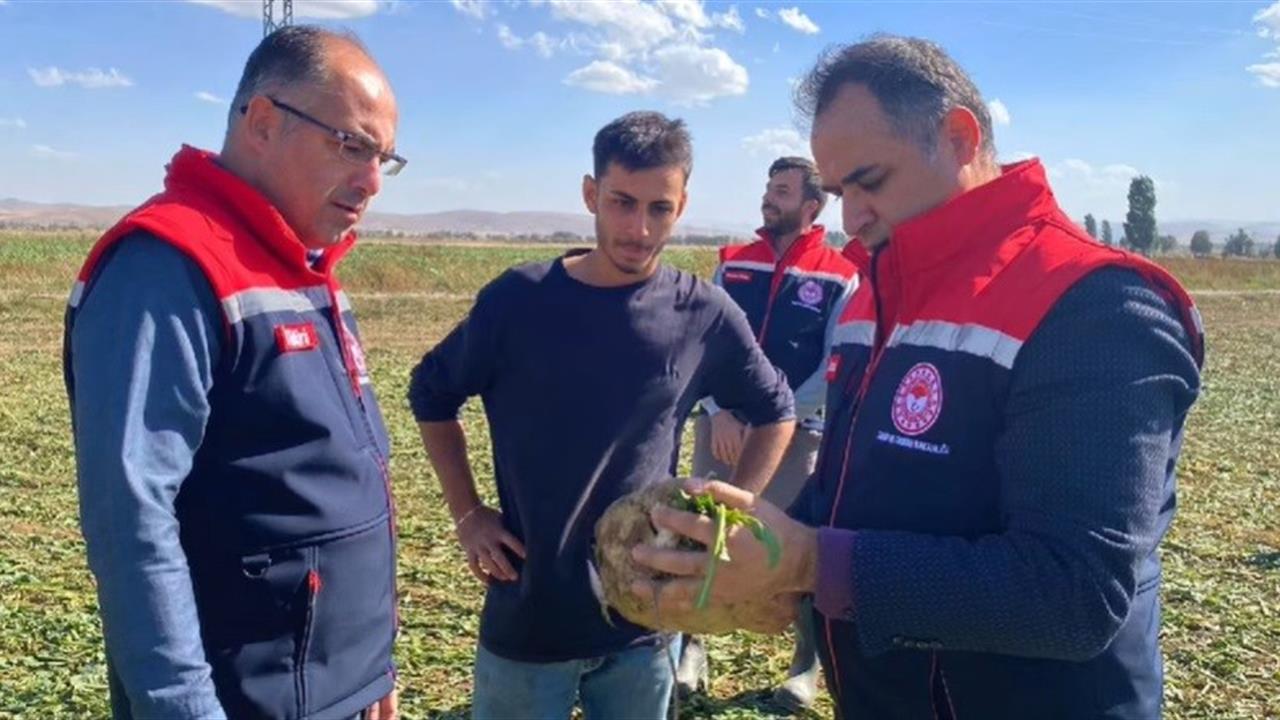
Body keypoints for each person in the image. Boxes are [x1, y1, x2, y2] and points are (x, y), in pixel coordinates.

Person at [632, 35, 1204, 719]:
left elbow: (1074, 595)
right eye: (840, 191)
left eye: (870, 183)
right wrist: (763, 540)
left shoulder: (1095, 306)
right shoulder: (874, 292)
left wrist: (811, 562)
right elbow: (860, 480)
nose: (851, 218)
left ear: (959, 138)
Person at [63, 26, 405, 720]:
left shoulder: (304, 264)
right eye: (352, 145)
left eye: (384, 158)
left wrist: (367, 669)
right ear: (263, 122)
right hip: (245, 698)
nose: (371, 180)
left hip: (330, 688)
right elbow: (131, 518)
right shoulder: (167, 266)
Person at [407, 111, 796, 720]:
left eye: (659, 209)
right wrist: (466, 512)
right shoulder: (519, 302)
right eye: (621, 202)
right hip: (529, 616)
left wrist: (726, 520)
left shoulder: (702, 314)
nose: (640, 229)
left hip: (645, 620)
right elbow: (430, 395)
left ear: (682, 204)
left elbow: (775, 410)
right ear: (591, 193)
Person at [678, 156, 858, 709]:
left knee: (793, 545)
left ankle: (802, 669)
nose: (768, 199)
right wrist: (716, 407)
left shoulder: (839, 274)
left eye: (781, 191)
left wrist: (768, 419)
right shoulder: (731, 264)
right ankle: (691, 649)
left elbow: (834, 363)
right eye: (768, 188)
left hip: (797, 435)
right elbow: (698, 345)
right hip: (722, 429)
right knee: (698, 536)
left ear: (811, 205)